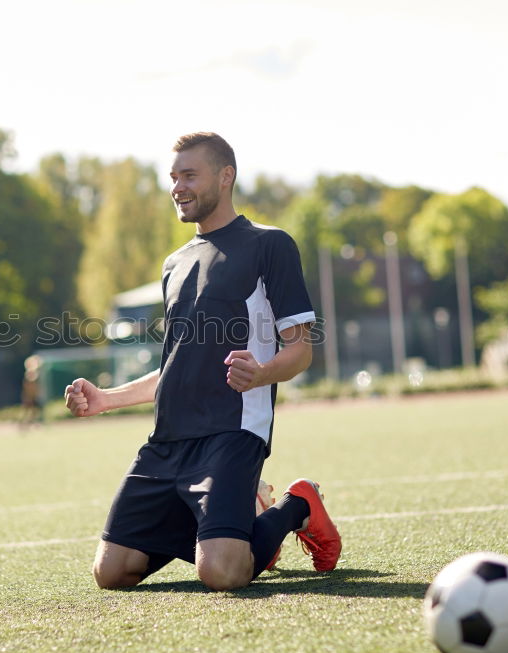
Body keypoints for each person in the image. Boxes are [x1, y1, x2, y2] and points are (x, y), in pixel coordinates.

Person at [64, 132, 341, 591]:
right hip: (168, 439)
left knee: (222, 573)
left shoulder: (269, 245)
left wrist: (263, 373)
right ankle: (239, 519)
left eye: (189, 175)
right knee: (111, 573)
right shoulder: (174, 264)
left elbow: (301, 350)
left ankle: (297, 505)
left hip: (232, 434)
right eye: (173, 177)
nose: (177, 187)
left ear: (226, 176)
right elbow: (174, 368)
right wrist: (104, 400)